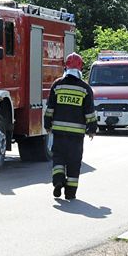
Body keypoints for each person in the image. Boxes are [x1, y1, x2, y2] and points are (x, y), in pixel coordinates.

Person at [44, 52, 97, 200]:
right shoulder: (85, 88)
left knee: (59, 158)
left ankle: (58, 180)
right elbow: (89, 113)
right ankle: (70, 193)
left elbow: (50, 109)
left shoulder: (57, 85)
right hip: (76, 136)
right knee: (74, 163)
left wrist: (47, 125)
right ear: (80, 68)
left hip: (59, 133)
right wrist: (92, 129)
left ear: (66, 67)